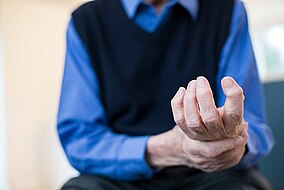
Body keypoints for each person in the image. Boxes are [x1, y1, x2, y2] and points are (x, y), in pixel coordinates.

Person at [57, 0, 275, 189]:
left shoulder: (228, 11)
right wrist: (168, 149)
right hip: (119, 178)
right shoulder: (85, 22)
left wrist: (233, 144)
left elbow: (252, 126)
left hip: (213, 176)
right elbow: (80, 139)